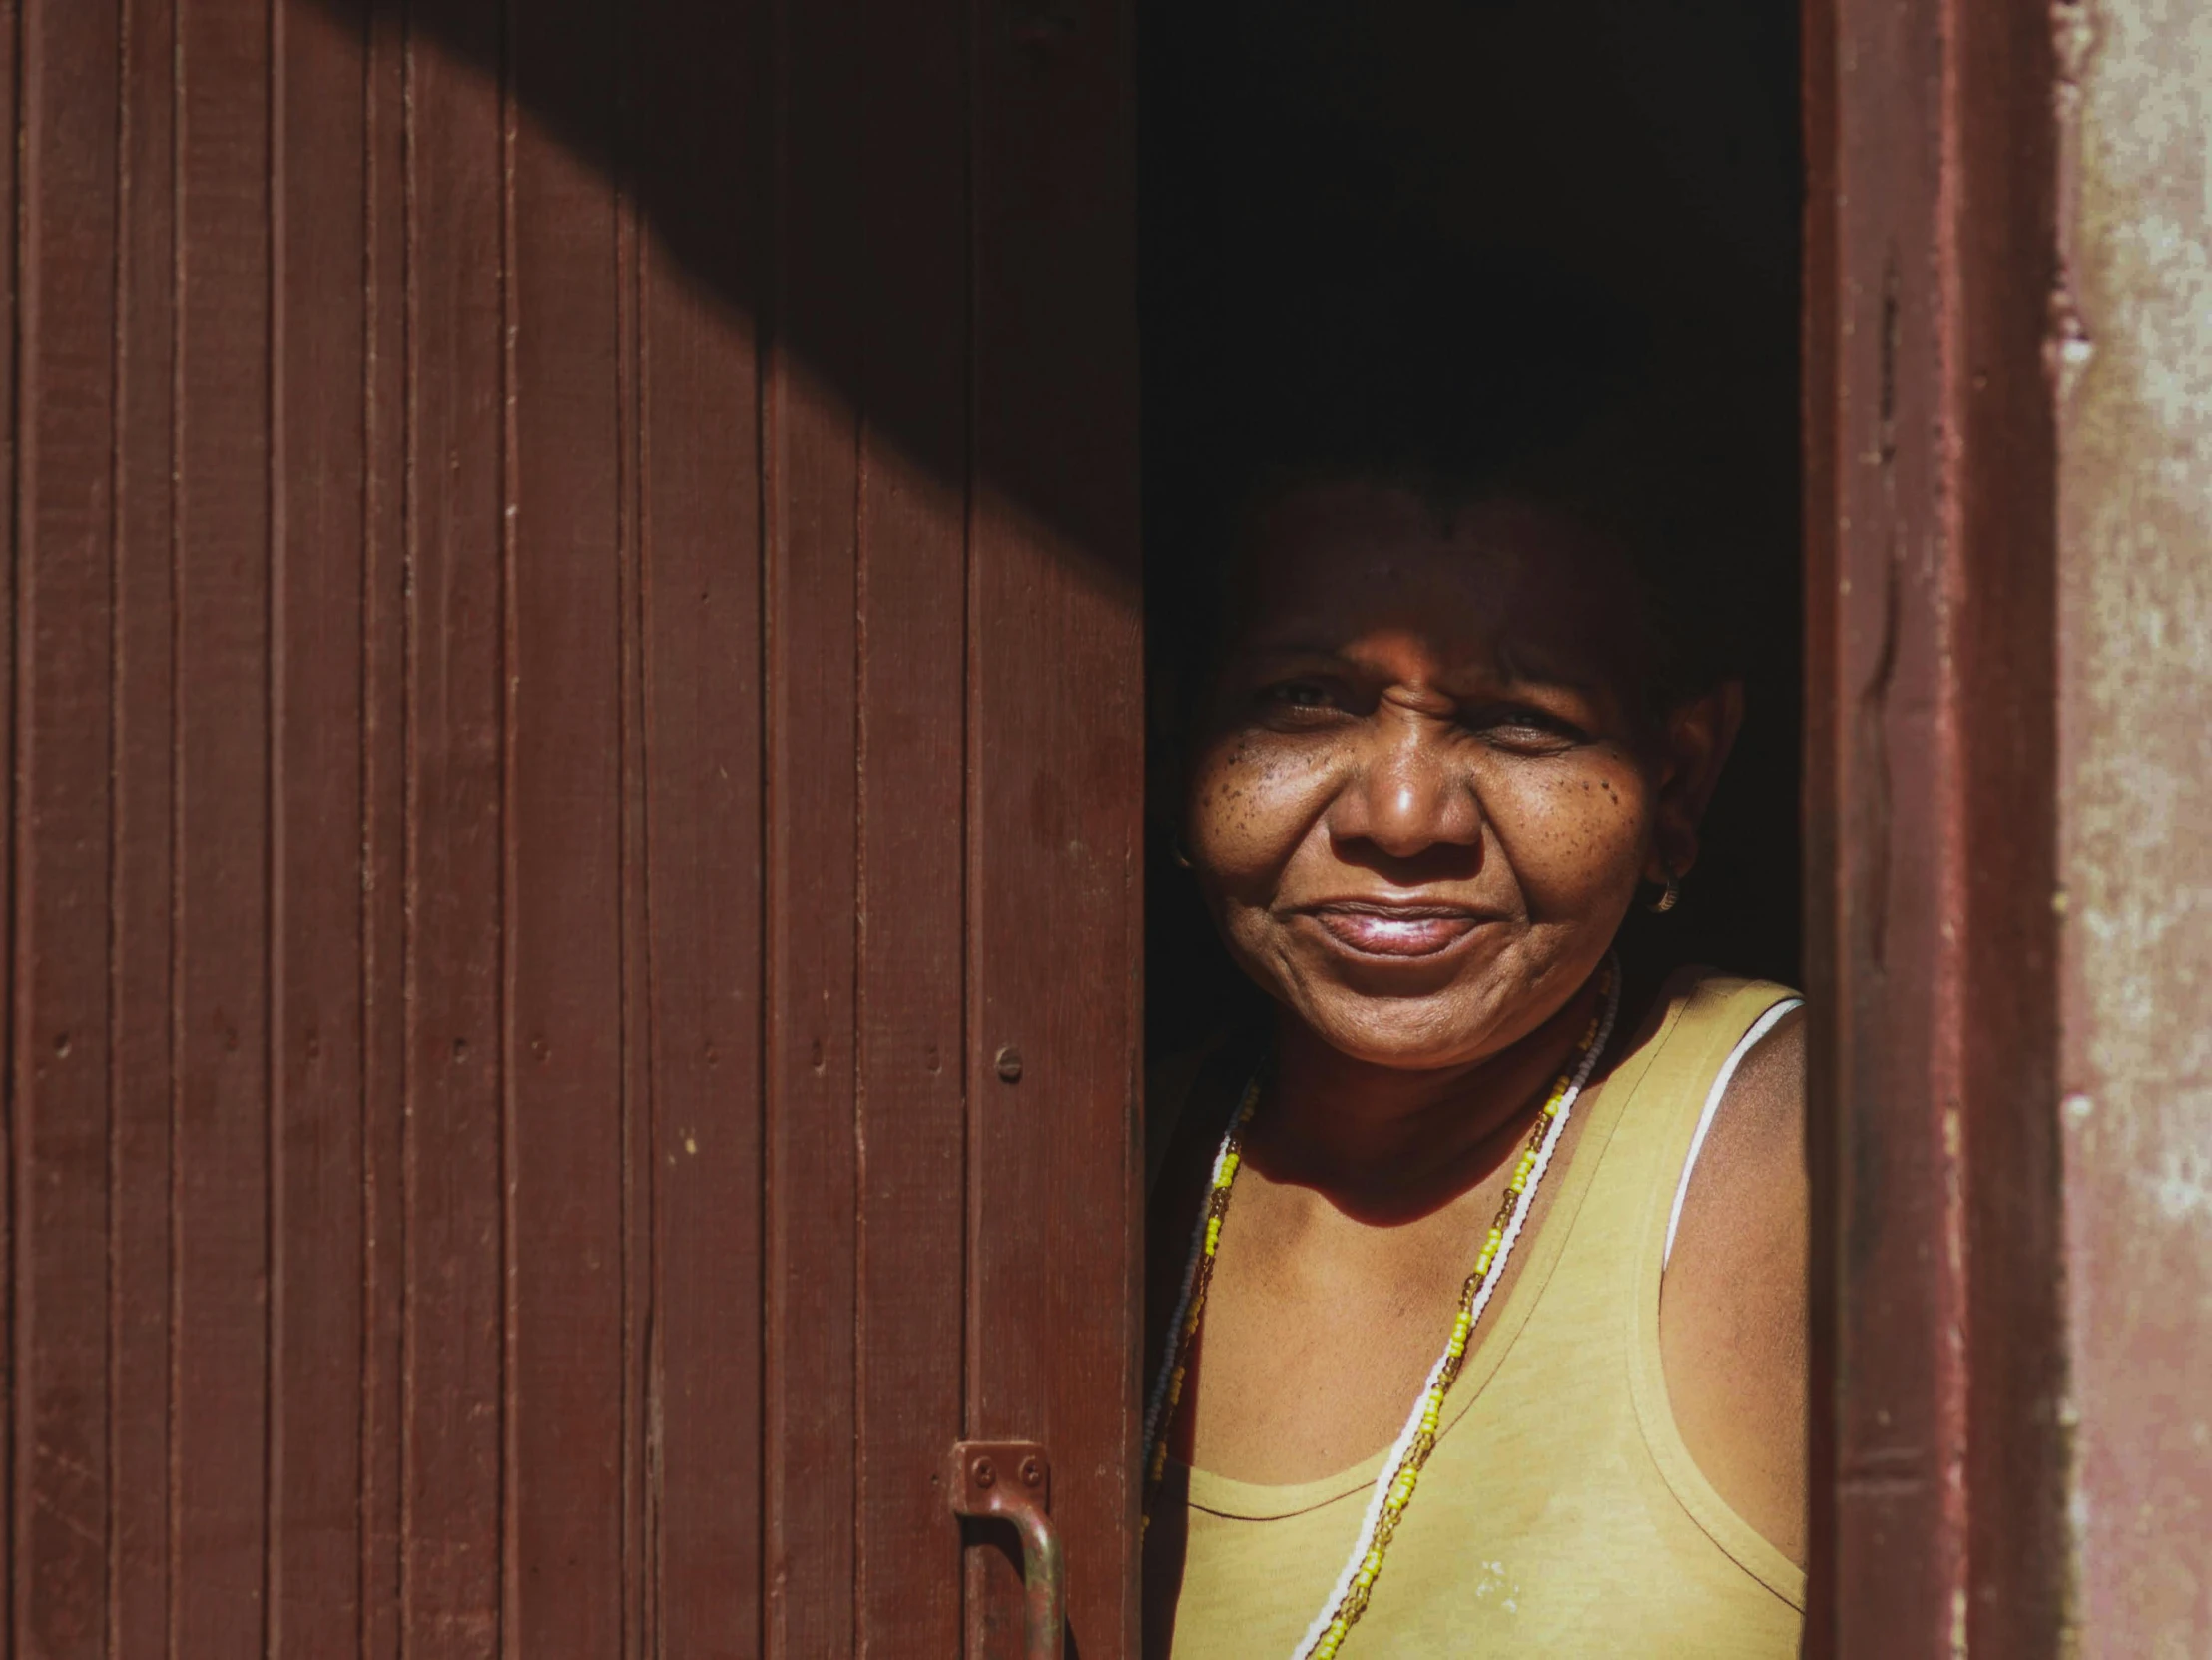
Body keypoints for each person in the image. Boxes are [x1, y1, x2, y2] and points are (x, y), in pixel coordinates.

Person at [1141, 244, 1807, 1657]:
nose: (1402, 817)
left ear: (1679, 779)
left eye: (1520, 722)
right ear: (1175, 731)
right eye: (1303, 701)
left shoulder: (1785, 1162)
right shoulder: (1091, 1163)